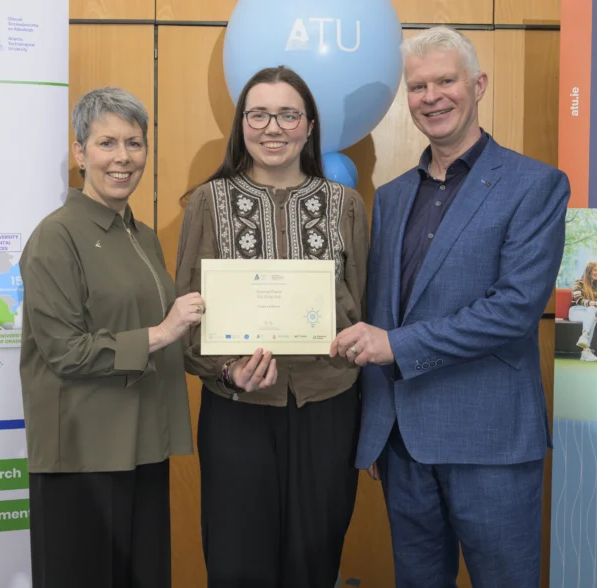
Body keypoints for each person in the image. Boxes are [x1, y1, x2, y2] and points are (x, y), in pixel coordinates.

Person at [330, 27, 570, 587]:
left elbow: (514, 310)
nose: (431, 96)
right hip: (404, 445)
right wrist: (373, 428)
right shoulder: (390, 197)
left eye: (445, 81)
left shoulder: (534, 186)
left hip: (490, 441)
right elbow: (382, 308)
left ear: (478, 86)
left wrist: (395, 345)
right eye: (417, 86)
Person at [175, 65, 368, 588]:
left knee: (315, 556)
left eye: (288, 114)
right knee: (239, 562)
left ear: (309, 126)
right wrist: (227, 373)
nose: (273, 127)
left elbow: (365, 307)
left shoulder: (346, 205)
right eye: (258, 114)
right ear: (242, 125)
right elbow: (186, 313)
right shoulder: (208, 204)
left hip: (327, 405)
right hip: (237, 410)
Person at [19, 86, 204, 588]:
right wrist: (162, 331)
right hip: (83, 453)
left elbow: (170, 337)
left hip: (143, 444)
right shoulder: (55, 237)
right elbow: (65, 350)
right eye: (107, 143)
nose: (123, 157)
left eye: (135, 143)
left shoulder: (140, 234)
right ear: (80, 152)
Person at [571, 262, 597, 361]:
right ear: (589, 271)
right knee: (592, 311)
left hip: (589, 313)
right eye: (595, 270)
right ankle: (585, 351)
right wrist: (593, 303)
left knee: (593, 317)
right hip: (575, 311)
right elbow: (578, 300)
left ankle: (585, 343)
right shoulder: (578, 283)